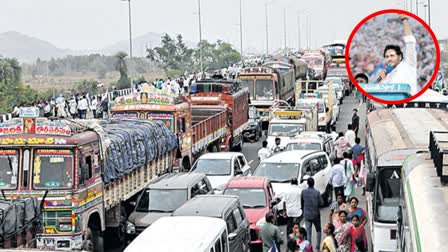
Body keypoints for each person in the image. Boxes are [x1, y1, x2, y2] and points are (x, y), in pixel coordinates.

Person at [377, 14, 418, 95]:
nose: (389, 59)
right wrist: (381, 80)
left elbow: (410, 41)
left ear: (399, 57)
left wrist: (404, 19)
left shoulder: (409, 65)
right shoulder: (387, 75)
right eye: (387, 56)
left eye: (392, 56)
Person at [301, 177, 323, 249]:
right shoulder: (317, 192)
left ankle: (309, 246)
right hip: (316, 214)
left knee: (308, 232)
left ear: (307, 184)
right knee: (318, 230)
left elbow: (302, 202)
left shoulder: (303, 192)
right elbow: (321, 203)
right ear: (314, 183)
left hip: (307, 214)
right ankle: (317, 246)